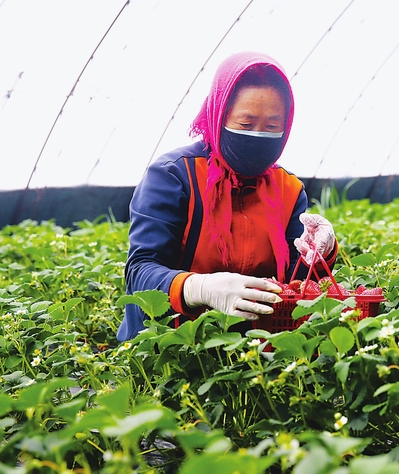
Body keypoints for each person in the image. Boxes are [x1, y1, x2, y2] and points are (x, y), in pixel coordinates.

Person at [118, 52, 337, 341]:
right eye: (246, 124)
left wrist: (319, 255)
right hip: (172, 346)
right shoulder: (174, 176)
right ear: (219, 114)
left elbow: (296, 286)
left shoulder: (288, 189)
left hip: (253, 350)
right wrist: (200, 288)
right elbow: (140, 272)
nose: (258, 135)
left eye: (272, 127)